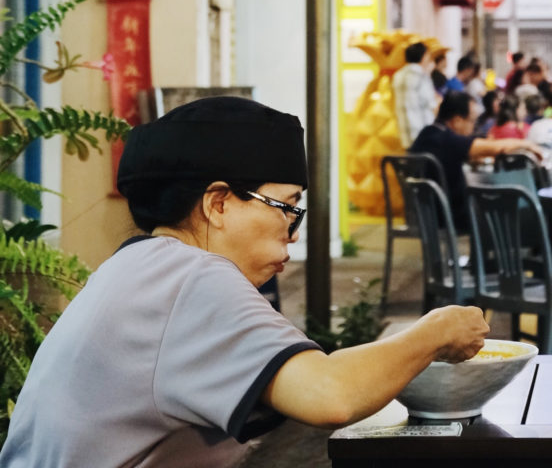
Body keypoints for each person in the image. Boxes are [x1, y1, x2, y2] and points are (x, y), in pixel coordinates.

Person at [1, 97, 488, 468]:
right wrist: (437, 330)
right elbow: (328, 394)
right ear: (217, 203)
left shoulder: (139, 268)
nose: (291, 234)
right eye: (287, 208)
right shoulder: (191, 277)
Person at [409, 91, 544, 232]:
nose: (473, 126)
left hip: (426, 212)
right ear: (457, 120)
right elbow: (497, 148)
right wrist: (527, 144)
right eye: (472, 120)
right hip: (451, 215)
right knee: (512, 206)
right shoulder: (448, 139)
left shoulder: (428, 133)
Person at [392, 41, 438, 148]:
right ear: (423, 56)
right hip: (423, 134)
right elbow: (432, 105)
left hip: (404, 135)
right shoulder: (421, 76)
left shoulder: (397, 76)